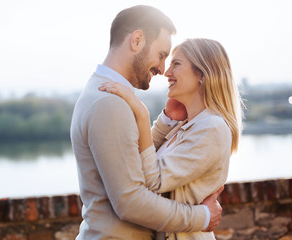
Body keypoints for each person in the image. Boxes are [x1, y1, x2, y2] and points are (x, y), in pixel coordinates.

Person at [70, 5, 224, 240]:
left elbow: (141, 166)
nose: (163, 69)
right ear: (137, 40)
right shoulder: (109, 102)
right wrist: (202, 217)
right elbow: (131, 202)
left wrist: (164, 122)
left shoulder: (107, 95)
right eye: (162, 55)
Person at [99, 38, 243, 239]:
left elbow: (153, 180)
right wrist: (166, 120)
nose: (167, 72)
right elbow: (139, 163)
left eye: (176, 64)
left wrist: (141, 113)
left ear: (201, 73)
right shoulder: (186, 125)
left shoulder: (212, 128)